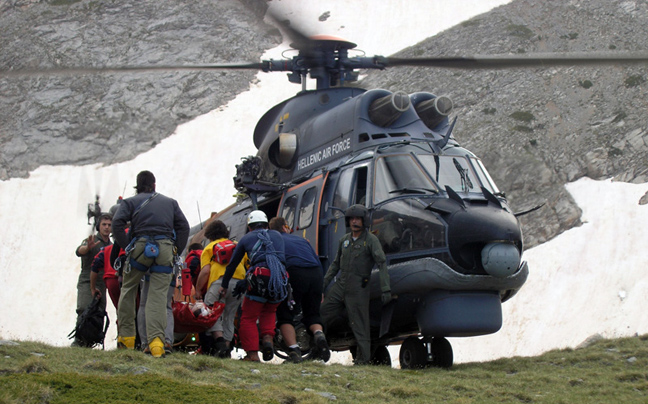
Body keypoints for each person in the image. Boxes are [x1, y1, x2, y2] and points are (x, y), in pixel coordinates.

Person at [112, 170, 190, 358]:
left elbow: (116, 224)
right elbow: (183, 227)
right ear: (154, 185)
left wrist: (127, 246)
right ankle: (156, 344)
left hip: (139, 248)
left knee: (129, 288)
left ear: (137, 185)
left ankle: (127, 340)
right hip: (164, 250)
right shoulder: (170, 203)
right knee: (158, 297)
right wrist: (175, 251)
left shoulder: (129, 202)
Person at [321, 204, 392, 365]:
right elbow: (335, 265)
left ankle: (363, 360)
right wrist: (323, 284)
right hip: (340, 286)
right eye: (352, 219)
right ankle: (317, 349)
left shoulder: (371, 240)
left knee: (360, 325)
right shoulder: (344, 241)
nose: (354, 222)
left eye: (358, 219)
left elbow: (381, 263)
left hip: (358, 288)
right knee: (322, 313)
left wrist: (385, 288)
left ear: (364, 220)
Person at [219, 210, 288, 362]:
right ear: (265, 224)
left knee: (248, 318)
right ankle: (268, 341)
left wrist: (224, 285)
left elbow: (232, 265)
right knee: (269, 311)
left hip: (260, 277)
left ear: (250, 227)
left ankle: (252, 355)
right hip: (279, 278)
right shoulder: (277, 235)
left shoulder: (246, 238)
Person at [268, 216, 330, 363]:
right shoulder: (302, 240)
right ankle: (319, 334)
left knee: (285, 314)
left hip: (294, 272)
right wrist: (320, 288)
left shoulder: (273, 241)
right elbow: (317, 260)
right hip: (315, 273)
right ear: (284, 227)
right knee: (312, 313)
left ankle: (294, 351)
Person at [194, 220, 246, 357]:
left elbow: (205, 271)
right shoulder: (236, 245)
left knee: (212, 313)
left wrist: (198, 289)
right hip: (239, 282)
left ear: (209, 235)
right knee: (229, 315)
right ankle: (227, 350)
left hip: (219, 283)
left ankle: (220, 343)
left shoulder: (210, 247)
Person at [72, 213, 112, 347]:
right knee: (84, 309)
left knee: (98, 313)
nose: (106, 228)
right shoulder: (92, 240)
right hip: (86, 280)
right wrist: (87, 248)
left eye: (109, 225)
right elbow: (79, 251)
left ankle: (91, 342)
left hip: (102, 283)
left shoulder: (113, 245)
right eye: (104, 225)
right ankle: (79, 341)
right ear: (98, 226)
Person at [90, 243, 122, 311]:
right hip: (126, 279)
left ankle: (121, 320)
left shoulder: (106, 249)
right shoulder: (131, 245)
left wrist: (92, 288)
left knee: (120, 308)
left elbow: (94, 267)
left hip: (110, 280)